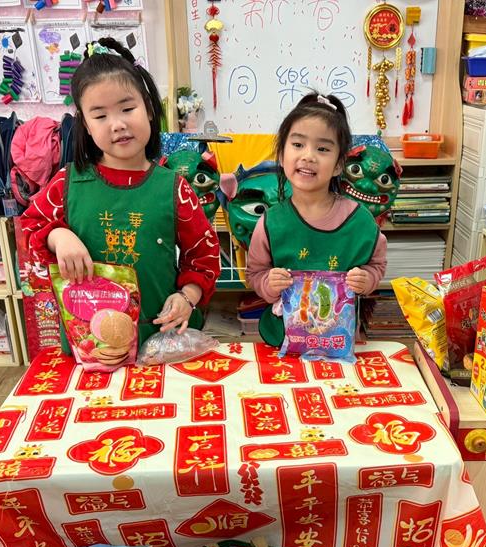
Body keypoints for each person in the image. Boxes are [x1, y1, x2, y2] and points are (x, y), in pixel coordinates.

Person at [19, 38, 220, 344]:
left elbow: (203, 255)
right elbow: (30, 228)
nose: (117, 124)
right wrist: (58, 236)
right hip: (89, 344)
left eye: (127, 108)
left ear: (149, 109)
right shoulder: (66, 184)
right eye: (100, 116)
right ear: (86, 125)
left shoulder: (174, 188)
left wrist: (187, 296)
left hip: (160, 340)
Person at [246, 92, 387, 346]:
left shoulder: (360, 221)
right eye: (298, 144)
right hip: (284, 338)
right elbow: (255, 274)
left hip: (337, 340)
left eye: (322, 149)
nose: (308, 156)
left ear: (338, 165)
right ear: (282, 155)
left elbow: (377, 264)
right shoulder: (270, 222)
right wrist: (269, 283)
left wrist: (367, 279)